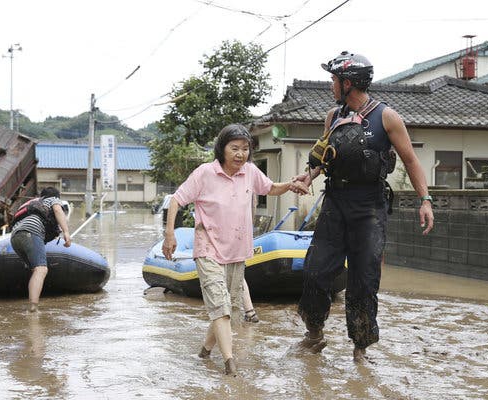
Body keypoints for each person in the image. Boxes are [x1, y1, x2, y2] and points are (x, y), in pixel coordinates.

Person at [294, 51, 434, 362]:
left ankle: (360, 349)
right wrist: (309, 175)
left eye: (334, 80)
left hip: (370, 208)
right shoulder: (333, 116)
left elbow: (411, 161)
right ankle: (314, 333)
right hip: (335, 203)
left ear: (349, 83)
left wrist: (425, 200)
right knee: (315, 271)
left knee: (363, 280)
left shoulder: (387, 117)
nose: (331, 85)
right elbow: (324, 155)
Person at [162, 123, 308, 376]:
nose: (240, 154)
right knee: (220, 305)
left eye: (245, 149)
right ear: (222, 149)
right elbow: (177, 199)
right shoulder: (205, 173)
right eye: (235, 148)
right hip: (207, 246)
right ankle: (229, 362)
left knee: (227, 306)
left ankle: (205, 352)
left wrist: (291, 185)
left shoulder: (250, 172)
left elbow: (270, 188)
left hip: (237, 251)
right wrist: (169, 233)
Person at [10, 187, 72, 313]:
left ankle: (31, 301)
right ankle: (33, 308)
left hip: (15, 237)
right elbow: (57, 209)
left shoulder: (33, 205)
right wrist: (66, 232)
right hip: (31, 232)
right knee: (41, 269)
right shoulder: (52, 200)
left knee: (35, 269)